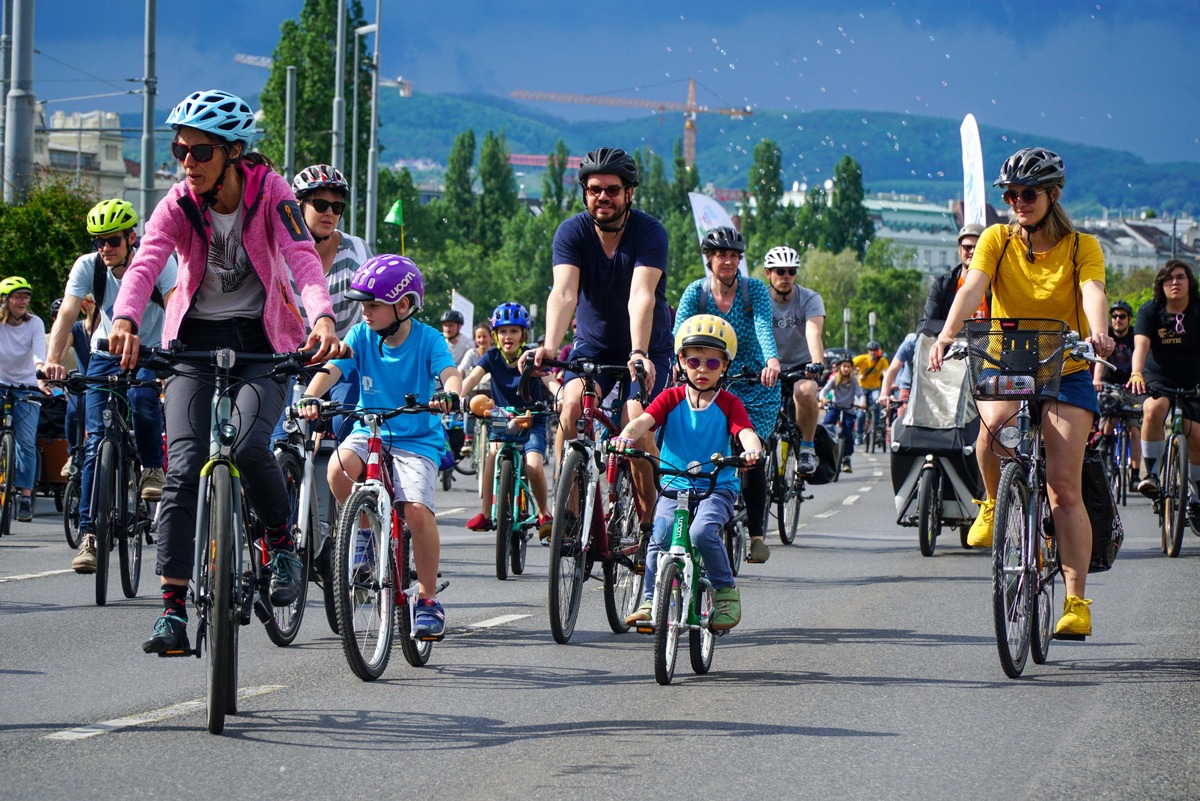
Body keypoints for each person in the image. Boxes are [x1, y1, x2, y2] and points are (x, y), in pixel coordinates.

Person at [105, 89, 343, 654]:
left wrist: (323, 318)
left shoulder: (273, 193)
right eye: (179, 149)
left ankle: (282, 544)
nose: (186, 161)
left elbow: (303, 257)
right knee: (184, 468)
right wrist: (125, 319)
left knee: (250, 446)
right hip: (192, 343)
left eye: (200, 151)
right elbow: (146, 263)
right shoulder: (177, 203)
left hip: (262, 342)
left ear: (234, 153)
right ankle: (172, 612)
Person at [929, 147, 1112, 640]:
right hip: (1011, 358)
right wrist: (948, 333)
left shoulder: (1081, 247)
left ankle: (1076, 601)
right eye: (1010, 194)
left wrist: (1098, 332)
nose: (1017, 202)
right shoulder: (996, 239)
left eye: (1027, 194)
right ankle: (994, 503)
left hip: (1068, 364)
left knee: (1063, 487)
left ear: (1053, 196)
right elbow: (972, 289)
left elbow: (1093, 292)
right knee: (987, 437)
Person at [298, 254, 458, 637]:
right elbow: (331, 369)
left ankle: (428, 598)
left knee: (417, 511)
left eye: (372, 306)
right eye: (363, 306)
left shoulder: (429, 340)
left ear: (402, 306)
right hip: (370, 430)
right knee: (337, 470)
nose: (364, 313)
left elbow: (450, 373)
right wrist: (310, 396)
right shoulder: (361, 336)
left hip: (416, 440)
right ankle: (368, 536)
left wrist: (451, 393)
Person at [526, 147, 673, 522]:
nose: (602, 196)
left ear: (629, 193)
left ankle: (647, 527)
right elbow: (563, 292)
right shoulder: (572, 231)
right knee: (570, 406)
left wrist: (639, 351)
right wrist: (548, 346)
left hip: (646, 347)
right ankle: (570, 517)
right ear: (584, 193)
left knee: (635, 425)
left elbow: (641, 294)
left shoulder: (649, 232)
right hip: (592, 346)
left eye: (611, 189)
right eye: (594, 189)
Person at [43, 199, 176, 574]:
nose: (105, 248)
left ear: (132, 238)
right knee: (95, 441)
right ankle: (90, 535)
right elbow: (67, 314)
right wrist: (53, 360)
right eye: (98, 241)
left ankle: (152, 468)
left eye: (113, 240)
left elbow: (174, 306)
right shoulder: (89, 267)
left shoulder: (159, 261)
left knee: (143, 399)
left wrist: (171, 357)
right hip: (105, 352)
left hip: (149, 350)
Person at [613, 314, 762, 631]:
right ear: (680, 361)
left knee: (701, 532)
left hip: (716, 486)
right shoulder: (671, 397)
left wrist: (752, 449)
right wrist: (626, 436)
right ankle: (651, 599)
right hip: (673, 484)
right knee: (660, 534)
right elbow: (644, 421)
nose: (702, 370)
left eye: (712, 363)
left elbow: (745, 431)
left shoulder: (729, 402)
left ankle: (724, 590)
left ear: (725, 366)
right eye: (694, 361)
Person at [674, 226, 779, 563]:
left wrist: (771, 360)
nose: (729, 261)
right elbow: (680, 331)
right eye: (722, 255)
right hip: (707, 377)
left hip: (753, 381)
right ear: (709, 259)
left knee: (751, 452)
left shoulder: (755, 291)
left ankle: (756, 535)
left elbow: (763, 325)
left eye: (734, 255)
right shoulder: (696, 292)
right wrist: (677, 362)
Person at [461, 303, 559, 540]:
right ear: (495, 335)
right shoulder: (492, 357)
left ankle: (544, 514)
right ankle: (486, 513)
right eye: (503, 331)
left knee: (533, 464)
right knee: (491, 457)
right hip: (501, 418)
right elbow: (472, 379)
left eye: (514, 331)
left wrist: (561, 396)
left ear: (523, 335)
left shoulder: (533, 356)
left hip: (531, 418)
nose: (508, 336)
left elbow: (550, 381)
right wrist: (456, 396)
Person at [1130, 260, 1200, 530]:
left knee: (1196, 434)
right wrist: (1136, 372)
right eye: (1168, 278)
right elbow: (1141, 346)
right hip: (1158, 376)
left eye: (1180, 277)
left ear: (1189, 282)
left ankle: (1195, 497)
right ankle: (1153, 476)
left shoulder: (1197, 308)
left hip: (1193, 377)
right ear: (1161, 284)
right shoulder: (1150, 310)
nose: (1175, 283)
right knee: (1152, 409)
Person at [763, 244, 826, 474]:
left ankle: (807, 448)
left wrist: (816, 364)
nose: (786, 276)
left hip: (802, 365)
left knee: (806, 391)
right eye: (780, 271)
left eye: (791, 271)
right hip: (768, 365)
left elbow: (813, 332)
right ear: (768, 273)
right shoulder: (760, 299)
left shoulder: (809, 298)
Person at [0, 277, 48, 522]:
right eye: (17, 297)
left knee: (26, 443)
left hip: (27, 386)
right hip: (0, 384)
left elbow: (40, 353)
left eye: (26, 296)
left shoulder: (35, 323)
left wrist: (41, 376)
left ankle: (26, 497)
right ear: (5, 300)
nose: (23, 301)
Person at [1094, 299, 1141, 481]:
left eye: (1122, 316)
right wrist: (1097, 379)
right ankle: (1105, 442)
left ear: (1129, 318)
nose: (1117, 320)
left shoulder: (1135, 336)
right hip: (1109, 384)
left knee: (1134, 430)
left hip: (1131, 386)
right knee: (1110, 417)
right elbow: (1100, 358)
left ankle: (1136, 475)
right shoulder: (1107, 335)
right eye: (1114, 316)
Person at [918, 223, 990, 335]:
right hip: (950, 346)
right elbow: (926, 325)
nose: (973, 252)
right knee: (910, 341)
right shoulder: (942, 285)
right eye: (968, 247)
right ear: (960, 250)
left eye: (978, 248)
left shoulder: (996, 286)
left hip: (986, 348)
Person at [820, 354, 861, 473]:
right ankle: (824, 452)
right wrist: (823, 398)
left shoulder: (853, 381)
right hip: (835, 407)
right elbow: (824, 390)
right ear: (839, 367)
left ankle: (846, 459)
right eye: (844, 366)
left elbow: (860, 394)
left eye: (848, 366)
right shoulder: (834, 379)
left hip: (849, 409)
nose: (846, 369)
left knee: (848, 433)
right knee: (826, 426)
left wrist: (862, 402)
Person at [852, 340, 888, 444]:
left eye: (875, 350)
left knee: (877, 402)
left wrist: (889, 382)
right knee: (860, 414)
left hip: (874, 388)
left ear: (878, 351)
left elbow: (886, 373)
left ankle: (876, 428)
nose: (873, 352)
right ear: (868, 351)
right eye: (871, 350)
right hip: (862, 388)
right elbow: (848, 366)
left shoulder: (882, 361)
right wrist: (858, 376)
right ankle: (858, 435)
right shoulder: (861, 359)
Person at [880, 331, 917, 419]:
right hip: (908, 388)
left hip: (933, 387)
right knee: (902, 421)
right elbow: (892, 370)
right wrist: (884, 394)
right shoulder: (911, 343)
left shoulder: (947, 342)